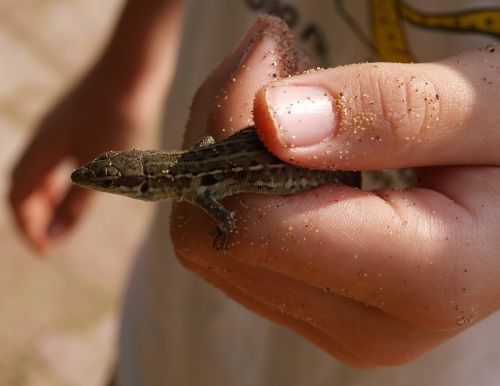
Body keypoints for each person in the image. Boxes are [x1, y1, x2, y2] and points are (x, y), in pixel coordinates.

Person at [9, 0, 500, 385]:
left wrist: (226, 227)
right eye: (109, 178)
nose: (105, 184)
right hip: (165, 344)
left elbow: (224, 214)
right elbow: (206, 152)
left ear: (145, 186)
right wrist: (126, 68)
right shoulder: (193, 180)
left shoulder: (200, 192)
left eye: (112, 181)